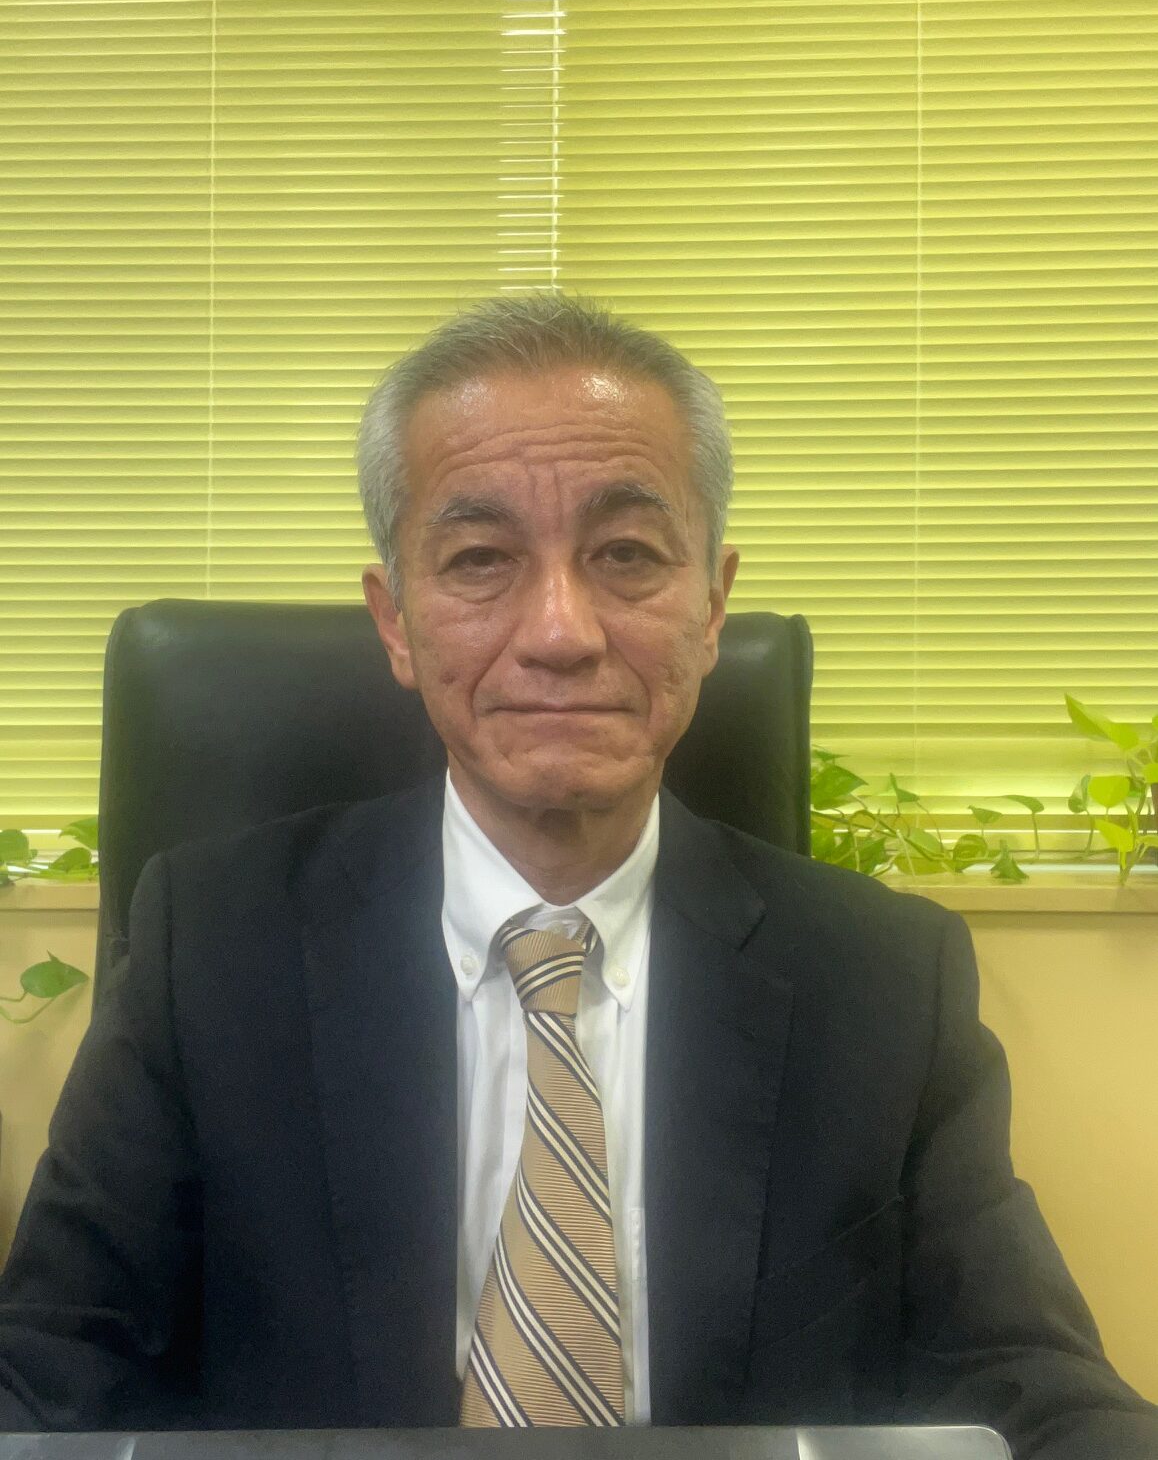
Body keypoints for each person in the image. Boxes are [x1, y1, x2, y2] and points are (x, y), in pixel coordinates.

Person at [0, 295, 1155, 1455]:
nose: (561, 630)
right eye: (480, 559)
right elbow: (49, 1362)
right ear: (395, 621)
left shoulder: (883, 980)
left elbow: (1026, 1376)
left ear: (712, 603)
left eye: (627, 555)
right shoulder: (213, 948)